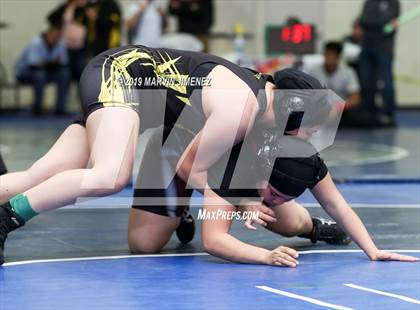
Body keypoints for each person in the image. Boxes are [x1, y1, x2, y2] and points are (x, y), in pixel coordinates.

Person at [0, 45, 413, 266]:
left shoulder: (259, 105)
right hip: (124, 80)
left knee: (44, 173)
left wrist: (372, 248)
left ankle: (181, 211)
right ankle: (7, 219)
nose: (298, 140)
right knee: (109, 174)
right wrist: (246, 200)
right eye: (300, 130)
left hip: (151, 117)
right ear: (290, 110)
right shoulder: (242, 110)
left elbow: (189, 157)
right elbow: (189, 165)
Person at [127, 125, 351, 254]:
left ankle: (315, 227)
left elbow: (331, 198)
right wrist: (243, 201)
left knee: (287, 222)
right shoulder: (235, 113)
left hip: (232, 165)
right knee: (143, 244)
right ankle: (179, 207)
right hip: (176, 154)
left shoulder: (267, 134)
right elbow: (188, 167)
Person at [14, 21, 71, 116]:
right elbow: (34, 65)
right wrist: (53, 62)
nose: (55, 38)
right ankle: (37, 108)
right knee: (40, 75)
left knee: (64, 74)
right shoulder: (36, 43)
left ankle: (60, 109)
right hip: (24, 73)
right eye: (54, 35)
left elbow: (63, 63)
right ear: (48, 33)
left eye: (58, 36)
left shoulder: (60, 44)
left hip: (46, 71)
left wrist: (47, 63)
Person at [359, 0, 400, 127]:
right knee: (367, 82)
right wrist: (383, 23)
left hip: (384, 48)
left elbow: (390, 23)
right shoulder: (369, 2)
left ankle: (388, 115)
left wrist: (376, 24)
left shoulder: (393, 3)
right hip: (367, 47)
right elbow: (364, 20)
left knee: (387, 83)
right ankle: (370, 115)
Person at [305, 41, 361, 126]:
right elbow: (306, 93)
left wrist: (339, 107)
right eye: (328, 54)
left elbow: (355, 97)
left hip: (341, 111)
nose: (330, 58)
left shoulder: (348, 72)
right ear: (324, 55)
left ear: (338, 57)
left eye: (333, 55)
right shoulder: (313, 71)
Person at [48, 0, 89, 81]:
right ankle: (66, 93)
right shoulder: (67, 7)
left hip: (81, 46)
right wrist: (58, 30)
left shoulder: (86, 8)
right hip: (66, 45)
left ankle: (82, 92)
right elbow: (51, 17)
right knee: (66, 72)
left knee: (80, 71)